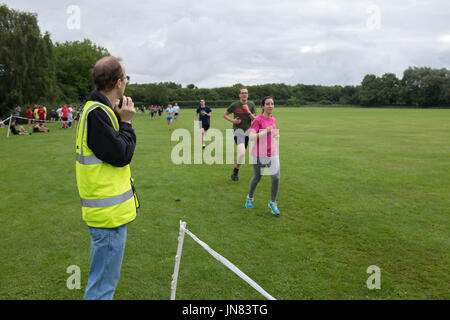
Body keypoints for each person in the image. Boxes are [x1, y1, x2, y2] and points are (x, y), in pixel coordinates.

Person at [75, 56, 138, 300]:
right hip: (108, 216)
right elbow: (122, 154)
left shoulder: (98, 110)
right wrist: (127, 123)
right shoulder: (98, 114)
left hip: (106, 213)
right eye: (125, 77)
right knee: (101, 289)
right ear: (119, 82)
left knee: (102, 283)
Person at [245, 96, 280, 215]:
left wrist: (275, 135)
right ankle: (249, 197)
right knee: (257, 178)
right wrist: (265, 131)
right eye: (268, 104)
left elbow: (273, 131)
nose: (270, 106)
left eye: (272, 104)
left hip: (272, 152)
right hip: (258, 154)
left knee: (276, 178)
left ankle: (273, 202)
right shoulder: (257, 120)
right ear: (263, 106)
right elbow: (251, 137)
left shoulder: (273, 119)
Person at [223, 87, 256, 181]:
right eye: (242, 93)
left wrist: (248, 111)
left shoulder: (251, 104)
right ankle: (235, 172)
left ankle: (235, 172)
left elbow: (255, 119)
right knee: (242, 152)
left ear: (248, 94)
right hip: (237, 131)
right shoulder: (235, 105)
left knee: (242, 154)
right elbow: (225, 114)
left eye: (246, 93)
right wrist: (233, 120)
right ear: (239, 95)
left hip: (247, 132)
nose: (244, 94)